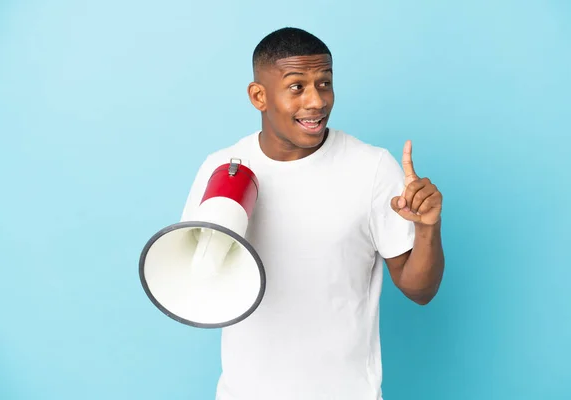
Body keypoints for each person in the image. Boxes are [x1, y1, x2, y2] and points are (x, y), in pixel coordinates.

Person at [180, 27, 445, 400]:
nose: (317, 101)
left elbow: (420, 290)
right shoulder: (222, 168)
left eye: (325, 83)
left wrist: (428, 228)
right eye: (297, 86)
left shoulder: (370, 168)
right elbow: (193, 280)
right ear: (259, 96)